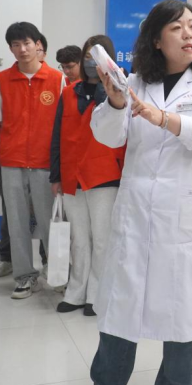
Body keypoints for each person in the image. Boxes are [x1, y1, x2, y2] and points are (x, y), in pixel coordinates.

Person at [72, 0, 192, 385]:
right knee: (122, 303)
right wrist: (116, 103)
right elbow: (107, 137)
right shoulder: (137, 81)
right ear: (157, 39)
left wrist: (163, 118)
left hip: (187, 210)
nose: (189, 34)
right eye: (178, 27)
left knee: (184, 309)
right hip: (139, 208)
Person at [50, 35, 125, 316]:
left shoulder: (119, 91)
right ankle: (76, 291)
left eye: (99, 56)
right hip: (71, 176)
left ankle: (98, 294)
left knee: (103, 238)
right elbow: (57, 136)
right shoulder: (69, 92)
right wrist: (55, 176)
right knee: (78, 238)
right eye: (88, 57)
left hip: (105, 174)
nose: (92, 63)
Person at [0, 22, 65, 299]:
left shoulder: (57, 80)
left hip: (45, 163)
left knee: (49, 222)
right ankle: (25, 276)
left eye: (27, 43)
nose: (22, 50)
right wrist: (12, 147)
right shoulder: (2, 80)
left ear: (38, 45)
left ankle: (58, 275)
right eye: (15, 45)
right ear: (10, 48)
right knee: (17, 222)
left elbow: (62, 125)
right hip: (11, 161)